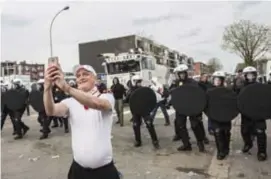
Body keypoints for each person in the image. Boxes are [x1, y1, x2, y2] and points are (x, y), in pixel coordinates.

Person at [44, 64, 120, 179]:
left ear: (95, 78)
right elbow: (51, 110)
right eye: (78, 76)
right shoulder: (70, 102)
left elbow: (97, 104)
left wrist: (67, 88)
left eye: (85, 74)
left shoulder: (106, 97)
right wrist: (47, 88)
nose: (81, 77)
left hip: (104, 171)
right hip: (78, 171)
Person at [170, 64, 205, 152]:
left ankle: (200, 143)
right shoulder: (176, 83)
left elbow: (198, 94)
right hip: (180, 107)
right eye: (180, 73)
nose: (182, 75)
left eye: (183, 73)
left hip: (191, 106)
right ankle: (186, 144)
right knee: (181, 126)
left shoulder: (192, 82)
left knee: (195, 125)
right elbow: (172, 93)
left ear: (186, 73)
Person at [240, 66, 267, 161]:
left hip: (259, 114)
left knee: (260, 132)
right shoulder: (242, 87)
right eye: (248, 75)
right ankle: (248, 143)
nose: (250, 77)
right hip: (246, 115)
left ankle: (262, 152)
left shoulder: (261, 86)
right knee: (245, 132)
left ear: (255, 75)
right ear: (245, 76)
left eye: (252, 75)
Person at [130, 75, 160, 149]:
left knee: (149, 125)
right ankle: (138, 141)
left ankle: (155, 141)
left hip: (144, 110)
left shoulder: (143, 90)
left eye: (140, 82)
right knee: (136, 125)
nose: (139, 83)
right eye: (138, 82)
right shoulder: (131, 90)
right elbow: (129, 101)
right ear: (134, 82)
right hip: (136, 111)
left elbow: (149, 98)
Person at [209, 71, 232, 160]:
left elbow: (232, 102)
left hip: (226, 116)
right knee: (218, 132)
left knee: (226, 132)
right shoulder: (209, 91)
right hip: (215, 116)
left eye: (219, 80)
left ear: (222, 81)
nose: (217, 81)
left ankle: (226, 148)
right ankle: (220, 151)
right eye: (216, 80)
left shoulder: (228, 91)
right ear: (213, 80)